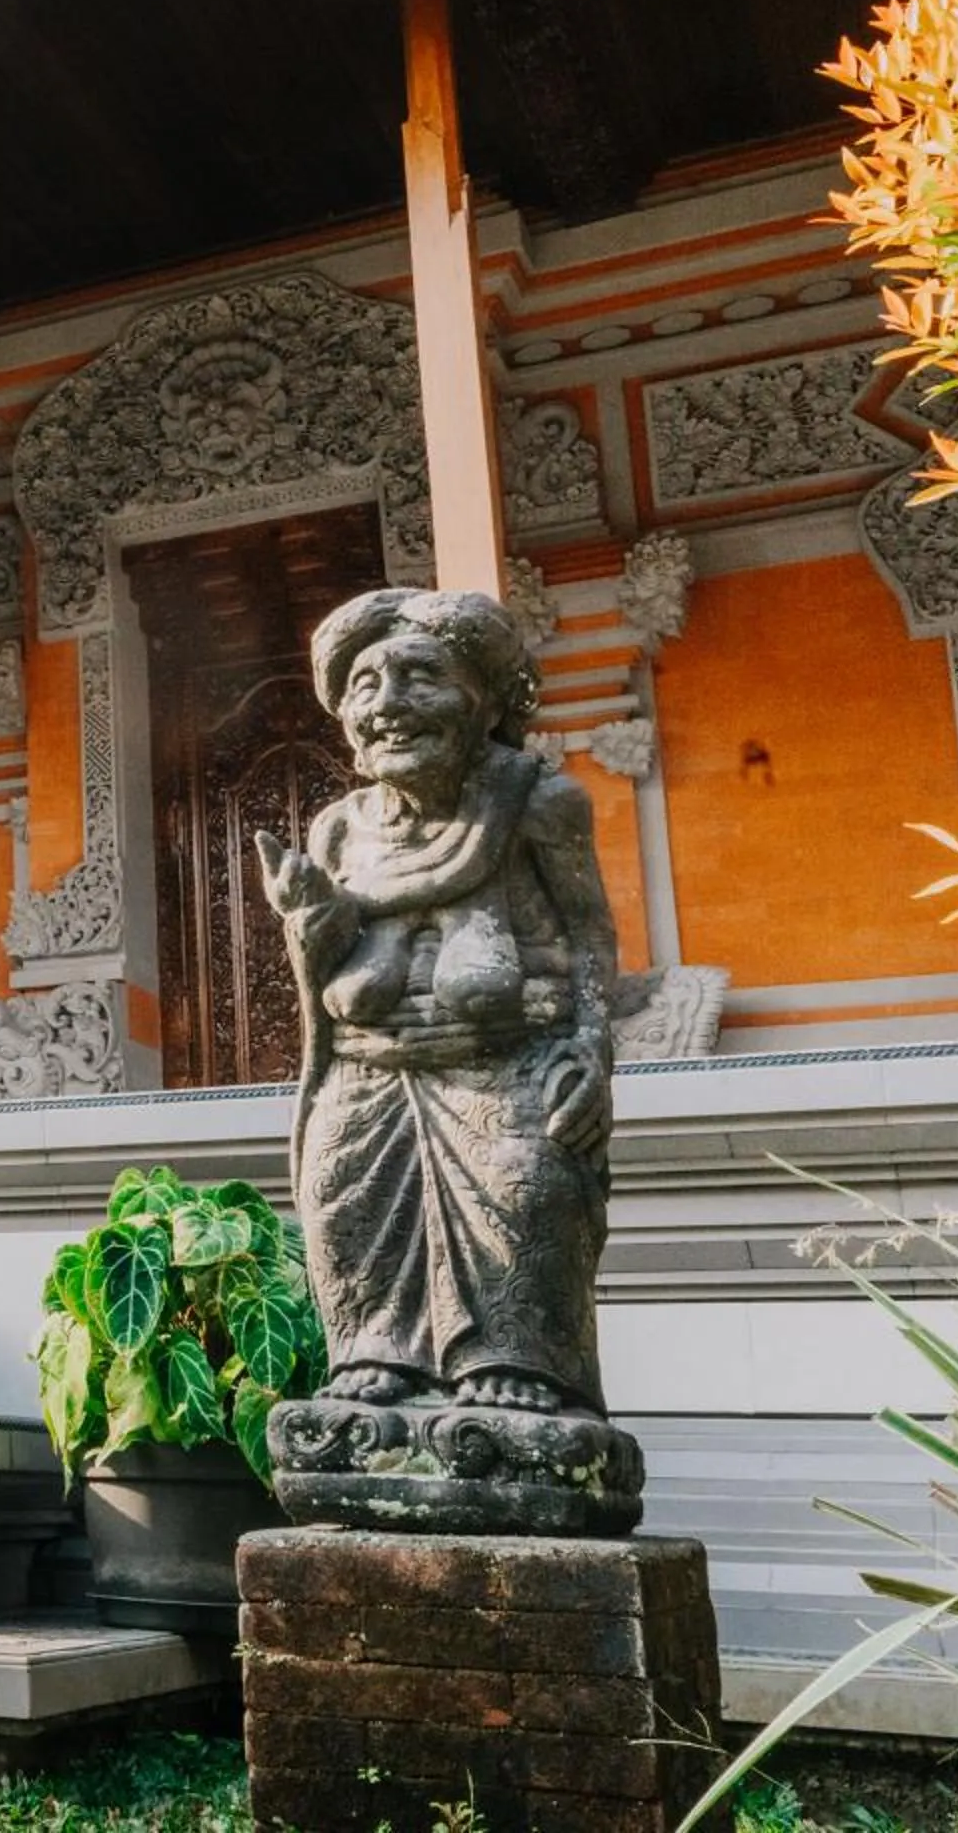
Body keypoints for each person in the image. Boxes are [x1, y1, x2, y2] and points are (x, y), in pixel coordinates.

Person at [256, 587, 618, 1419]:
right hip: (370, 1072)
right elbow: (328, 964)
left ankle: (516, 1357)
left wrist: (590, 1049)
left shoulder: (536, 802)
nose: (388, 704)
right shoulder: (339, 828)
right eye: (365, 685)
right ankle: (377, 1350)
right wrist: (309, 918)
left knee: (526, 1185)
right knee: (340, 1196)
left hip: (503, 1065)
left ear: (483, 701)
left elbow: (591, 935)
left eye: (421, 677)